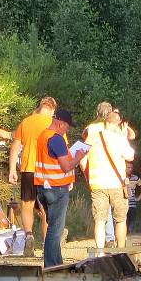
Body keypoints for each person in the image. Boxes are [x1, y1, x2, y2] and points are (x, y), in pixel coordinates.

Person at [34, 109, 87, 267]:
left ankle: (57, 263)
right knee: (55, 231)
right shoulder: (57, 139)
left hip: (43, 187)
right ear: (60, 123)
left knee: (53, 228)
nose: (67, 129)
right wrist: (79, 157)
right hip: (57, 189)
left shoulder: (43, 135)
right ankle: (52, 265)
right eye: (67, 126)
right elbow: (66, 166)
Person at [8, 97, 57, 257]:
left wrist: (12, 170)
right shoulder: (54, 124)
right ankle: (47, 246)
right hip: (47, 171)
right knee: (46, 209)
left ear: (40, 107)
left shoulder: (26, 122)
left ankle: (29, 236)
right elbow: (61, 151)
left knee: (27, 205)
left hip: (28, 169)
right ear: (53, 110)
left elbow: (15, 147)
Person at [84, 110, 135, 251]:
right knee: (120, 219)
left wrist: (87, 177)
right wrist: (124, 137)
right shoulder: (118, 138)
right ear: (117, 123)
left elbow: (81, 157)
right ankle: (120, 251)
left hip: (97, 184)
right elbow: (130, 156)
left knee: (100, 220)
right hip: (116, 184)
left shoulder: (92, 138)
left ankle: (100, 252)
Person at [126, 161, 141, 233]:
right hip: (122, 205)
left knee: (131, 225)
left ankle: (131, 237)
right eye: (128, 167)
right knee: (122, 224)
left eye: (131, 167)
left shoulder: (135, 178)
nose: (130, 169)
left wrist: (138, 198)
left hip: (132, 205)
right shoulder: (120, 177)